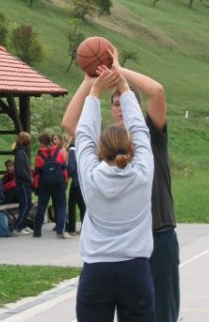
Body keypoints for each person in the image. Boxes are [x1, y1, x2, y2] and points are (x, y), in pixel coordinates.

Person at [62, 47, 179, 322]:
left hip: (158, 233)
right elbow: (70, 122)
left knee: (163, 314)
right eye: (114, 104)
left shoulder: (150, 134)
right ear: (113, 110)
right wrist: (91, 76)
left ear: (137, 108)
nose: (119, 108)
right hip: (131, 252)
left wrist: (113, 72)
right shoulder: (109, 144)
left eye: (123, 103)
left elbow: (157, 91)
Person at [74, 64, 155, 321]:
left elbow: (83, 134)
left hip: (97, 271)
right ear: (131, 150)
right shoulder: (142, 174)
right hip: (135, 270)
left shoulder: (90, 177)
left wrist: (94, 91)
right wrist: (124, 87)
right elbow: (141, 132)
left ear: (100, 151)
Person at [33, 133, 70, 239]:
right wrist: (65, 183)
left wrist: (36, 188)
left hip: (45, 185)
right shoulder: (59, 152)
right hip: (59, 184)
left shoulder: (39, 156)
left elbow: (37, 174)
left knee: (41, 207)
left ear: (41, 143)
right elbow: (64, 170)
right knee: (61, 206)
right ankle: (61, 230)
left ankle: (37, 231)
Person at [12, 132, 33, 235]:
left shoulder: (21, 152)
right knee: (26, 205)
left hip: (24, 182)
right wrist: (29, 179)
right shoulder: (20, 153)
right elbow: (21, 170)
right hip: (23, 183)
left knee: (25, 205)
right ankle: (18, 226)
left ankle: (23, 224)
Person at [65, 136, 86, 235]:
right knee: (82, 205)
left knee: (71, 204)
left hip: (76, 181)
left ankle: (72, 228)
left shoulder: (72, 150)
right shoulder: (82, 149)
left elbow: (71, 166)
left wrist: (67, 175)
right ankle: (85, 227)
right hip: (83, 180)